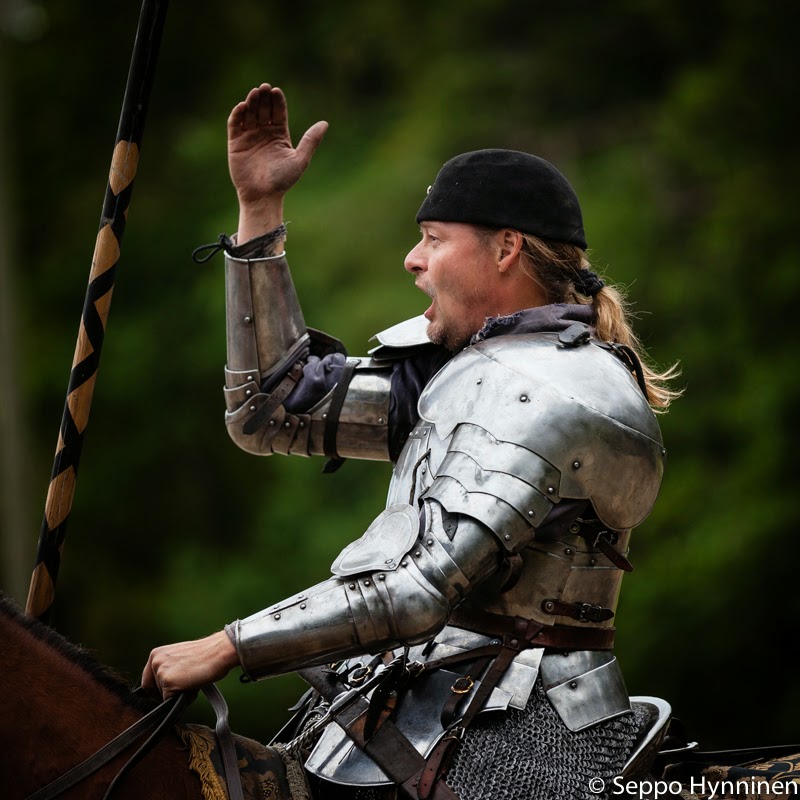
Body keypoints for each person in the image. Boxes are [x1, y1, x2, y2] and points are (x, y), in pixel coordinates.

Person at [143, 83, 680, 800]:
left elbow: (423, 588)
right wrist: (260, 210)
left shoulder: (553, 391)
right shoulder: (457, 368)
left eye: (433, 238)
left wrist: (230, 643)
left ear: (506, 249)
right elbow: (268, 412)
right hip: (399, 701)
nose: (412, 260)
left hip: (522, 724)